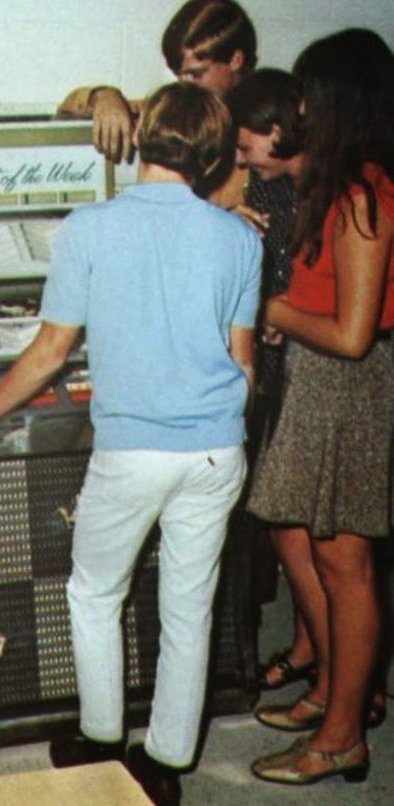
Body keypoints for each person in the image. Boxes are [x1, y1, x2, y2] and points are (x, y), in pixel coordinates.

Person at [0, 82, 261, 806]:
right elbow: (243, 364)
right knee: (188, 607)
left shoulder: (89, 227)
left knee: (93, 593)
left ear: (140, 136)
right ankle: (166, 761)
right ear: (212, 158)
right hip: (216, 447)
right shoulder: (239, 238)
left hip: (133, 450)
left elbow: (51, 350)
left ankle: (103, 739)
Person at [246, 29, 394, 785]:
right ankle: (334, 696)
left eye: (308, 94)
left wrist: (274, 310)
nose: (298, 107)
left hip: (348, 386)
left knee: (345, 563)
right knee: (302, 535)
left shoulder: (364, 195)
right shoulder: (336, 185)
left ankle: (342, 735)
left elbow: (353, 333)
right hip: (316, 379)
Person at [225, 68, 312, 686]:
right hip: (280, 365)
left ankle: (344, 675)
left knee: (305, 525)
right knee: (291, 523)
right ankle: (310, 647)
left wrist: (281, 313)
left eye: (246, 143)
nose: (239, 157)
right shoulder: (268, 188)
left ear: (277, 129)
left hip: (320, 371)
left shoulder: (332, 193)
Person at [57, 0, 256, 182]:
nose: (183, 85)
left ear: (235, 60)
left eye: (196, 74)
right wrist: (104, 97)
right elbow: (65, 110)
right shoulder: (168, 111)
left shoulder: (262, 126)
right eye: (178, 75)